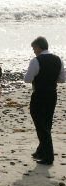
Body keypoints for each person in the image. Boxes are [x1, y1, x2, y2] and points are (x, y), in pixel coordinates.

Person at [24, 36, 65, 165]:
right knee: (47, 122)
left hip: (40, 94)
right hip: (52, 93)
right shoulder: (58, 60)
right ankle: (41, 150)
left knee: (40, 123)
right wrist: (50, 80)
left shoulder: (36, 61)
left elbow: (28, 79)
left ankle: (48, 155)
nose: (33, 51)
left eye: (34, 48)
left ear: (39, 47)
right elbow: (62, 79)